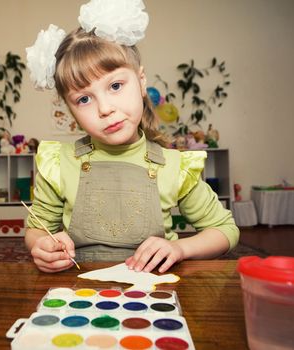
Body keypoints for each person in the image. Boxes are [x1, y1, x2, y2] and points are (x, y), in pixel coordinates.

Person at [25, 0, 239, 274]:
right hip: (79, 294)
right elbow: (35, 229)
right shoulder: (59, 163)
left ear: (141, 81)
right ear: (70, 110)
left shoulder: (174, 166)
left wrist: (179, 248)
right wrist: (43, 245)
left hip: (153, 294)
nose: (105, 109)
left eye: (115, 85)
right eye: (84, 99)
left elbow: (224, 230)